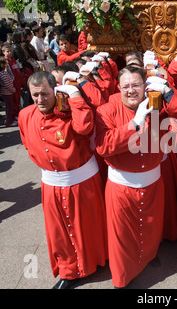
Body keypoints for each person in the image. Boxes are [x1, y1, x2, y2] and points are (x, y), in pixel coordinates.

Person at [95, 65, 177, 288]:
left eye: (136, 85)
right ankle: (122, 278)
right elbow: (104, 146)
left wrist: (170, 96)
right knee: (122, 238)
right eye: (125, 86)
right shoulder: (105, 110)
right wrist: (135, 124)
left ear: (145, 86)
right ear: (118, 87)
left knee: (151, 227)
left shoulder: (158, 107)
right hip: (121, 187)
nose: (130, 90)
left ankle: (146, 257)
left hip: (153, 182)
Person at [18, 71, 108, 289]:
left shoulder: (68, 113)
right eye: (35, 95)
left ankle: (96, 261)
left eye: (45, 94)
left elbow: (85, 127)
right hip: (50, 183)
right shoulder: (25, 115)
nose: (40, 100)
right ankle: (69, 270)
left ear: (55, 91)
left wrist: (75, 95)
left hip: (81, 180)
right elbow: (28, 143)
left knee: (88, 226)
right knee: (59, 232)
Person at [0, 56, 17, 126]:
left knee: (9, 107)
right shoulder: (2, 74)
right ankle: (9, 121)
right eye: (5, 63)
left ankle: (10, 119)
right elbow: (7, 84)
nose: (7, 64)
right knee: (9, 108)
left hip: (7, 92)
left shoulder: (3, 72)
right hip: (7, 93)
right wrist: (13, 90)